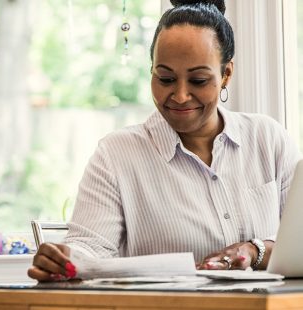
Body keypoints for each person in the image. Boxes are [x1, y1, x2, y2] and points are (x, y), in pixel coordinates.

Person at [28, 0, 302, 282]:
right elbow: (91, 248)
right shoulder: (116, 154)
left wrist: (253, 251)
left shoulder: (268, 139)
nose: (180, 95)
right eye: (165, 78)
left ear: (226, 75)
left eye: (198, 80)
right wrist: (63, 260)